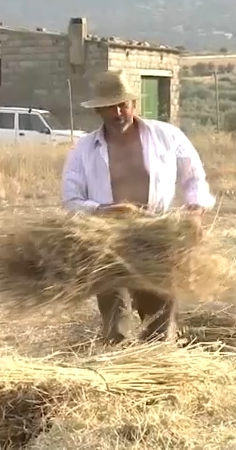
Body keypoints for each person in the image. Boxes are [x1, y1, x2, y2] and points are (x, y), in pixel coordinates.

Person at [61, 70, 215, 343]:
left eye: (123, 104)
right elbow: (71, 200)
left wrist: (195, 210)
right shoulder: (84, 149)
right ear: (99, 110)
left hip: (156, 233)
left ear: (134, 105)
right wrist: (101, 210)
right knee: (115, 309)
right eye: (110, 106)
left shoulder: (167, 136)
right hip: (107, 238)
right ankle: (117, 362)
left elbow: (194, 178)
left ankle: (160, 361)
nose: (118, 112)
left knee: (159, 306)